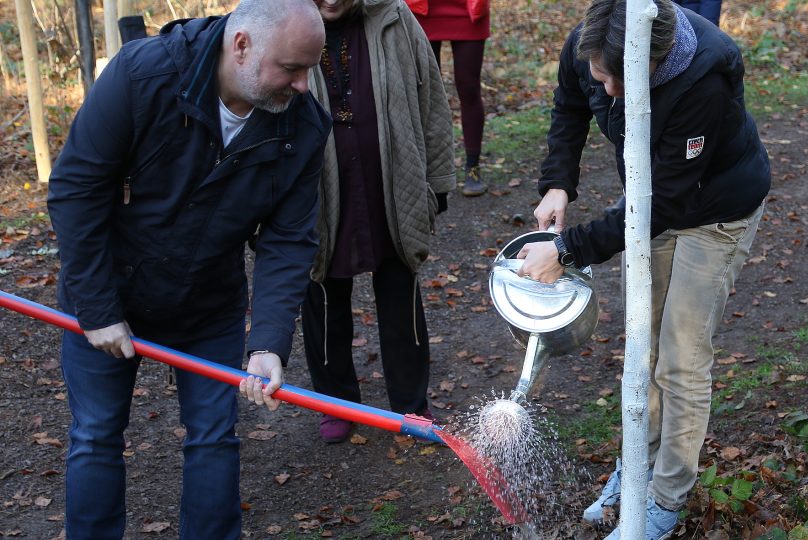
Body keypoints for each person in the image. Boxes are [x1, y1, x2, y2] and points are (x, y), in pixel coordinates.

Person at [46, 1, 331, 537]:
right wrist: (98, 307)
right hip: (110, 285)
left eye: (308, 69)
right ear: (241, 45)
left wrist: (268, 342)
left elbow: (289, 240)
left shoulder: (303, 125)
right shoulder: (143, 74)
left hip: (208, 300)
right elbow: (74, 191)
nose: (300, 85)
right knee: (97, 433)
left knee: (214, 435)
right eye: (291, 69)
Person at [523, 0, 770, 538]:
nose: (607, 91)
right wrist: (558, 182)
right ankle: (636, 466)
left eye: (618, 82)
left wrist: (567, 251)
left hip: (715, 212)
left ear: (650, 62)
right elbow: (569, 106)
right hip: (655, 201)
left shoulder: (703, 77)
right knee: (645, 344)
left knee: (680, 357)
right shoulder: (594, 39)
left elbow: (665, 206)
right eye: (600, 77)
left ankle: (664, 497)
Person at [303, 0, 455, 444]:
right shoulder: (282, 18)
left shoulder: (393, 17)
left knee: (399, 286)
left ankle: (411, 402)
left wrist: (439, 180)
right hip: (321, 186)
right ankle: (333, 400)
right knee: (323, 291)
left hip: (393, 179)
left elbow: (431, 100)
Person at [411, 0, 490, 196]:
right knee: (425, 92)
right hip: (421, 11)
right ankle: (430, 171)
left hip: (469, 11)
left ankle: (473, 168)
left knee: (470, 89)